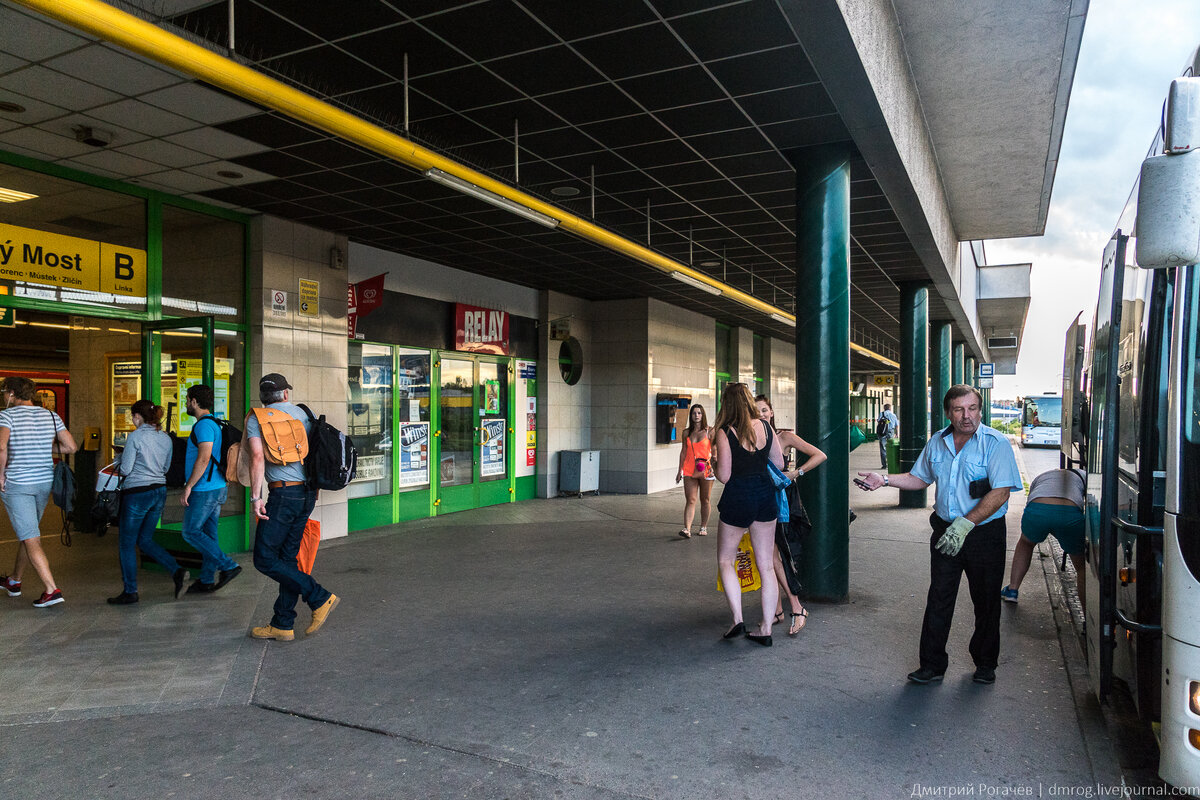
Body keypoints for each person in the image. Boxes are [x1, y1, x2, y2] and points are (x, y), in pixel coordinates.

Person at [856, 384, 1021, 685]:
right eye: (959, 409)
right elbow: (919, 478)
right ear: (948, 412)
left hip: (984, 535)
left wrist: (966, 523)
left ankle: (985, 663)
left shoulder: (995, 443)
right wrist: (884, 479)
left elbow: (1000, 493)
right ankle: (932, 665)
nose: (966, 416)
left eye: (972, 408)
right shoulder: (937, 442)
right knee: (939, 597)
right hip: (945, 531)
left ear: (980, 410)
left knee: (985, 601)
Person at [245, 373, 338, 641]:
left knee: (264, 558)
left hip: (283, 495)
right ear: (285, 394)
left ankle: (318, 596)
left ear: (264, 398)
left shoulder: (257, 419)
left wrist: (255, 497)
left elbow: (257, 457)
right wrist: (315, 489)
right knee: (286, 559)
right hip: (307, 493)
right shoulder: (302, 414)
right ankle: (282, 624)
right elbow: (315, 455)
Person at [713, 382, 785, 646]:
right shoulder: (766, 426)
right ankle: (766, 627)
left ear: (727, 403)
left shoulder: (725, 432)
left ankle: (737, 619)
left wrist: (713, 462)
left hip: (737, 499)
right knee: (766, 565)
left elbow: (724, 475)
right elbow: (779, 463)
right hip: (765, 497)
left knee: (725, 560)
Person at [0, 376, 77, 608]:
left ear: (12, 394)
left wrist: (0, 475)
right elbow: (70, 446)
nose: (4, 396)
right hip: (44, 482)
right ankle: (15, 580)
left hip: (18, 484)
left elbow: (1, 446)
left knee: (31, 537)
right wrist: (42, 445)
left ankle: (51, 590)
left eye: (5, 392)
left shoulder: (6, 415)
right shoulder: (51, 416)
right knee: (29, 532)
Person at [755, 395, 827, 636]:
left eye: (764, 410)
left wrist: (795, 473)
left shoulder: (784, 437)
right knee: (768, 556)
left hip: (782, 502)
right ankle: (777, 610)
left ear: (771, 412)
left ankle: (796, 608)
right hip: (761, 501)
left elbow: (819, 455)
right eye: (756, 412)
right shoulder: (754, 439)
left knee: (777, 556)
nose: (761, 415)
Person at [108, 399, 188, 605]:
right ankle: (177, 571)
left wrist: (119, 457)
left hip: (137, 492)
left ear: (137, 416)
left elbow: (125, 470)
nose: (132, 420)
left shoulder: (135, 437)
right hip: (158, 491)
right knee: (144, 540)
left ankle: (130, 591)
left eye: (133, 416)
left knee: (126, 543)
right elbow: (165, 467)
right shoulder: (165, 438)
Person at [180, 384, 241, 594]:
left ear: (195, 401)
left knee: (190, 531)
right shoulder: (213, 423)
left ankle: (228, 566)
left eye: (187, 399)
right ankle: (206, 579)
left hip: (205, 489)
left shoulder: (204, 426)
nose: (186, 403)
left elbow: (204, 457)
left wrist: (189, 486)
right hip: (216, 487)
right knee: (209, 534)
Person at [1001, 468, 1087, 610]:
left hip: (1037, 508)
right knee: (1081, 566)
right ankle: (1086, 620)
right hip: (1069, 513)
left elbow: (1031, 497)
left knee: (1026, 543)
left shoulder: (1043, 475)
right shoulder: (1083, 476)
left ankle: (1012, 590)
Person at [674, 403, 716, 538]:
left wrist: (715, 466)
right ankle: (687, 529)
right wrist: (679, 470)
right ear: (690, 416)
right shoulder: (686, 432)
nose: (696, 416)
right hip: (689, 469)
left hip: (706, 470)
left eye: (699, 413)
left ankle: (703, 526)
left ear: (703, 415)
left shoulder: (710, 431)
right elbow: (683, 452)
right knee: (691, 499)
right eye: (694, 413)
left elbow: (715, 451)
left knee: (705, 499)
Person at [877, 403, 898, 468]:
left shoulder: (882, 414)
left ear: (884, 408)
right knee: (890, 447)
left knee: (883, 448)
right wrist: (897, 433)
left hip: (882, 432)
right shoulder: (893, 415)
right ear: (890, 408)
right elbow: (896, 426)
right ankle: (890, 464)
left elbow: (878, 421)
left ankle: (884, 465)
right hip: (891, 431)